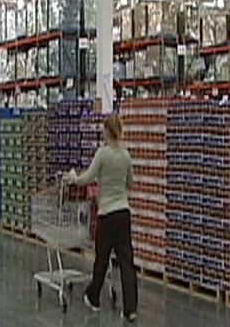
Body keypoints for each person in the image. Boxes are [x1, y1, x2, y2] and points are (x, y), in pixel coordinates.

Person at [65, 114, 138, 322]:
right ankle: (130, 309)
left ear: (107, 131)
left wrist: (74, 178)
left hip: (106, 215)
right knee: (126, 262)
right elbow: (130, 182)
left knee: (102, 259)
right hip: (124, 213)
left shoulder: (102, 154)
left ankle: (94, 297)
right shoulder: (125, 155)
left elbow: (88, 177)